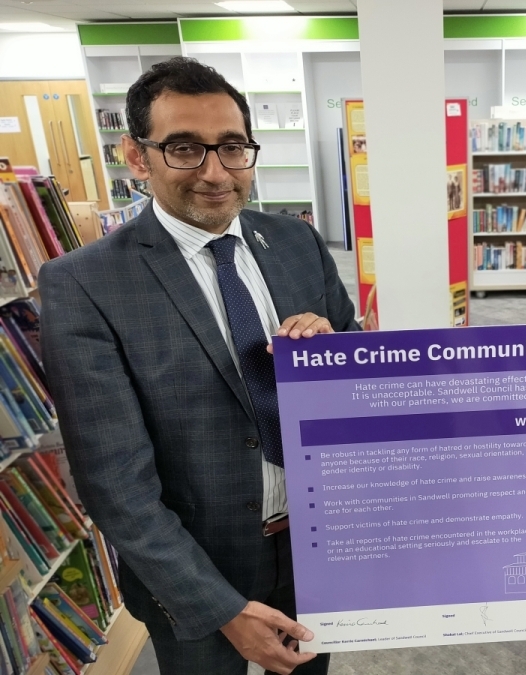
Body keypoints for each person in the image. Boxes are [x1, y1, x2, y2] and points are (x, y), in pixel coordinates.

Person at [39, 57, 360, 675]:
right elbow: (115, 485)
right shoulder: (85, 283)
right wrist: (220, 607)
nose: (216, 173)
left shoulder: (295, 242)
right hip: (196, 576)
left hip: (316, 548)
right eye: (185, 148)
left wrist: (330, 354)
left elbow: (355, 365)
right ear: (138, 158)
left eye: (233, 147)